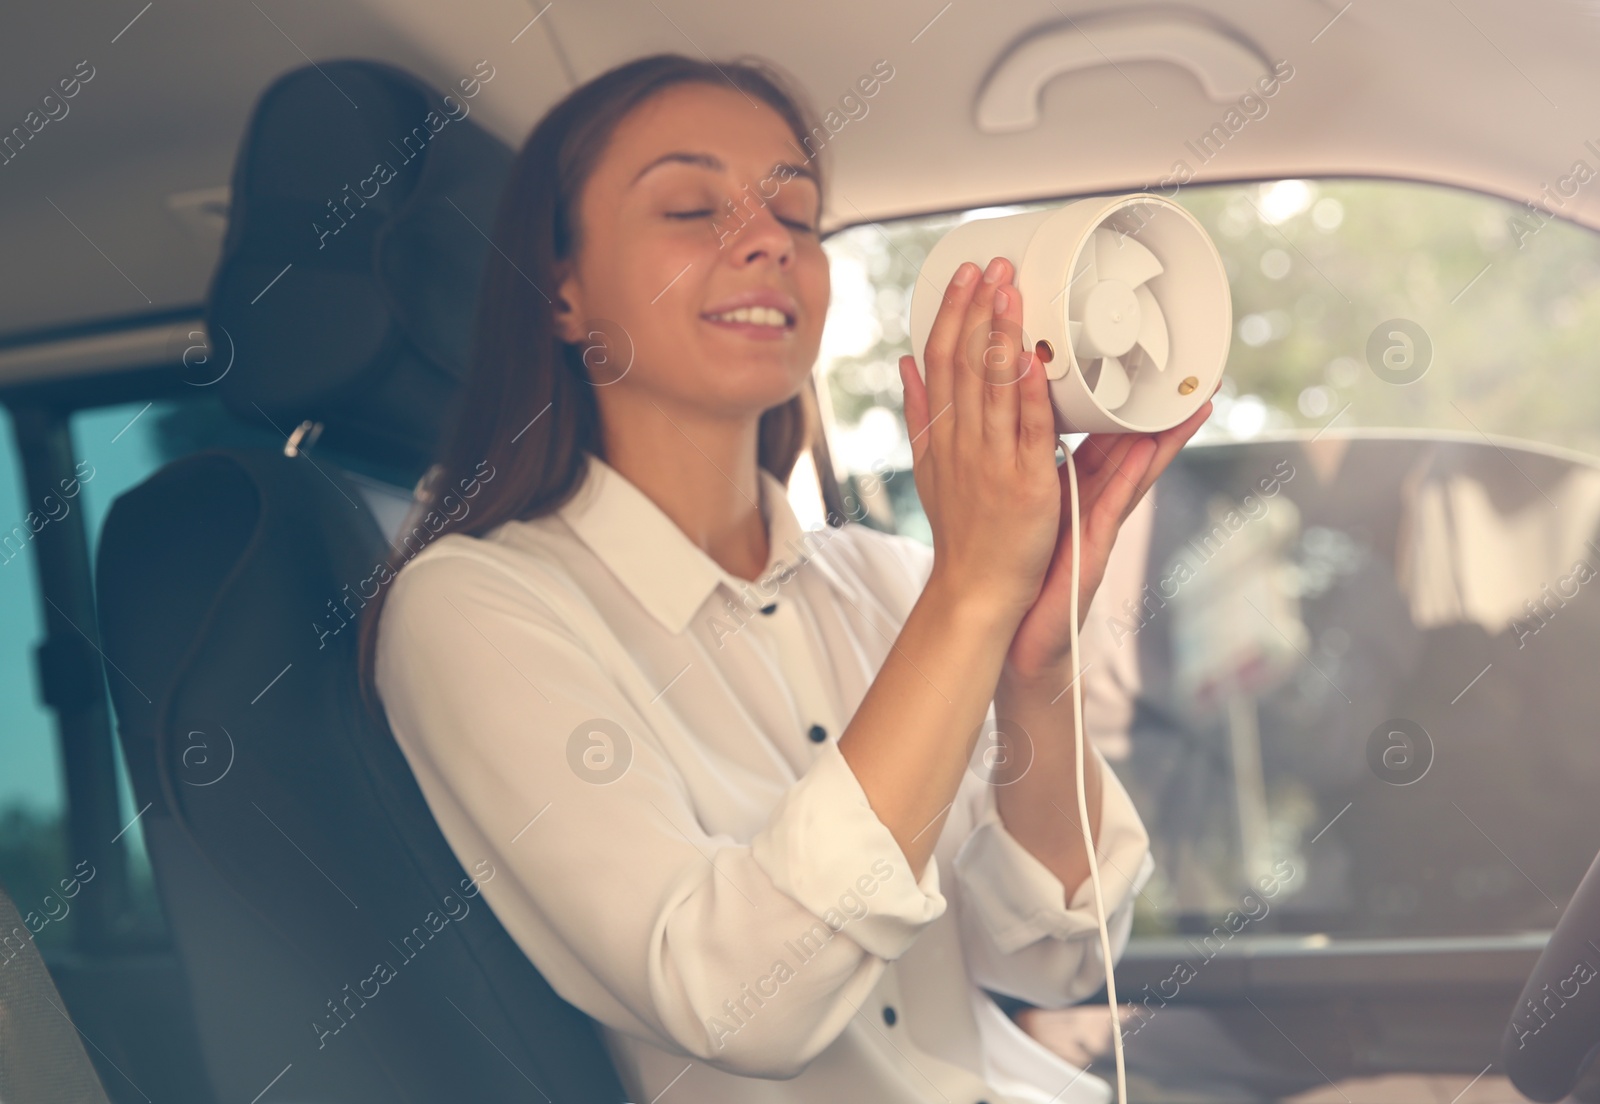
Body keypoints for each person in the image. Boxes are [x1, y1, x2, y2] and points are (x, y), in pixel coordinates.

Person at [357, 51, 1212, 1104]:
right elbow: (736, 1001)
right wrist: (969, 601)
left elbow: (1054, 959)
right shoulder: (474, 609)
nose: (767, 239)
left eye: (798, 218)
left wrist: (1033, 673)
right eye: (688, 207)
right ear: (561, 291)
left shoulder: (892, 581)